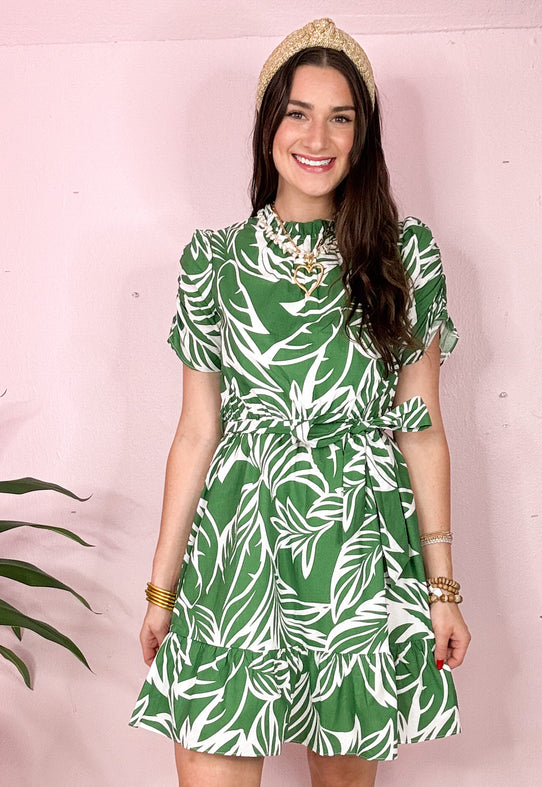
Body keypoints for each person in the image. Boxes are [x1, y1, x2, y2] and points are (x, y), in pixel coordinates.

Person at [130, 17, 471, 787]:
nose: (318, 137)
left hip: (352, 546)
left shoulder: (405, 254)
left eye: (340, 117)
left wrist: (442, 589)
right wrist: (162, 588)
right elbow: (196, 432)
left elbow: (421, 429)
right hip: (237, 549)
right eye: (298, 112)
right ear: (268, 127)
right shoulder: (214, 261)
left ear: (362, 135)